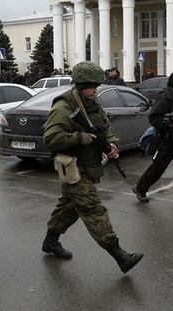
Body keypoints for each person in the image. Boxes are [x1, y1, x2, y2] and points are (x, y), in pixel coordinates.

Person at [42, 61, 143, 273]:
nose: (95, 90)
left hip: (89, 166)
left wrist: (112, 144)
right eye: (91, 86)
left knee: (69, 209)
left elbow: (105, 128)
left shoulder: (93, 103)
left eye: (96, 85)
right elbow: (50, 139)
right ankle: (120, 256)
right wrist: (81, 137)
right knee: (93, 209)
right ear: (79, 85)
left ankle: (50, 241)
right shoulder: (64, 107)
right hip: (73, 168)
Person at [132, 72, 173, 203]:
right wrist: (167, 125)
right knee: (158, 168)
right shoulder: (165, 98)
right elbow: (153, 117)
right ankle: (140, 188)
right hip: (168, 140)